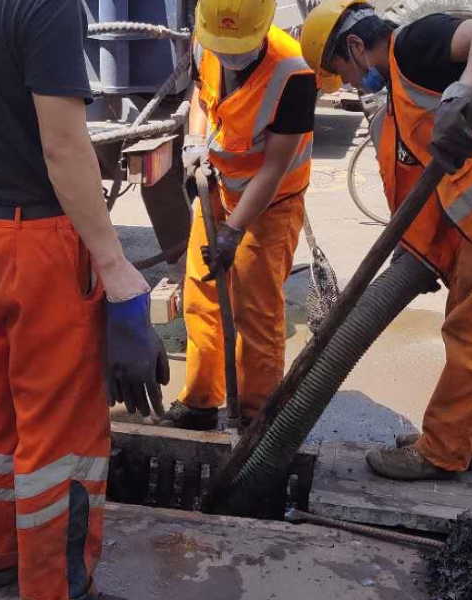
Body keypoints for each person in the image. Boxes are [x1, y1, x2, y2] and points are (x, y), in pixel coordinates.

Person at [0, 0, 169, 596]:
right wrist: (113, 264)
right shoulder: (45, 6)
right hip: (45, 248)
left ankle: (1, 560)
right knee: (60, 439)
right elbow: (63, 147)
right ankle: (57, 585)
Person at [301, 0, 472, 480]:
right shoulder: (399, 88)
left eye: (343, 72)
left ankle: (442, 453)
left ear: (355, 45)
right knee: (470, 327)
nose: (351, 86)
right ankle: (459, 440)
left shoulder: (416, 45)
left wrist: (461, 94)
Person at [163, 0, 316, 431]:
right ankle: (200, 400)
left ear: (264, 28)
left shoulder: (294, 72)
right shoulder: (207, 39)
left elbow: (274, 167)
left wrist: (233, 231)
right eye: (221, 47)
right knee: (200, 293)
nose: (228, 56)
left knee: (257, 310)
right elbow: (201, 94)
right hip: (217, 184)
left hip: (271, 201)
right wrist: (194, 139)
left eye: (239, 48)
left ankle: (256, 414)